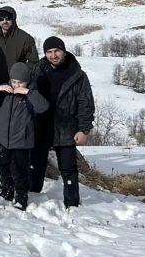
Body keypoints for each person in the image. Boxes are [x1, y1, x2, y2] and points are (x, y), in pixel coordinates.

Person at [29, 36, 95, 208]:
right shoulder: (38, 70)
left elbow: (86, 104)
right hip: (40, 126)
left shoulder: (77, 75)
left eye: (57, 51)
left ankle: (72, 204)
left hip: (66, 128)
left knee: (68, 168)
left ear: (63, 51)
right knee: (36, 165)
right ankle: (33, 198)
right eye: (49, 52)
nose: (53, 55)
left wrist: (84, 129)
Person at [0, 62, 50, 209]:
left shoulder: (31, 95)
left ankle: (21, 197)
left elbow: (43, 107)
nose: (16, 85)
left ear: (27, 82)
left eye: (20, 82)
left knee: (19, 171)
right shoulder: (5, 93)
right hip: (2, 140)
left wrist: (28, 92)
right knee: (4, 168)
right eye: (14, 81)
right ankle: (6, 191)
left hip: (21, 142)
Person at [0, 5, 39, 140]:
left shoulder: (25, 38)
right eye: (1, 19)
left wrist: (20, 78)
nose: (4, 21)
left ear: (13, 19)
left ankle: (16, 141)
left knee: (16, 116)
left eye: (8, 18)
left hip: (17, 86)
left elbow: (34, 63)